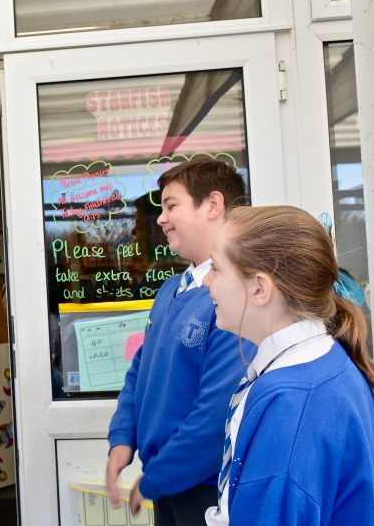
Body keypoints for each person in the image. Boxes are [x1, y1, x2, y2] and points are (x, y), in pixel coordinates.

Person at [201, 206, 374, 526]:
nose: (206, 281)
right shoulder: (326, 360)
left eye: (217, 268)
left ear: (260, 289)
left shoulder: (292, 404)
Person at [105, 158, 257, 525]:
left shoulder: (236, 297)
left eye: (172, 205)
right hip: (167, 483)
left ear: (213, 205)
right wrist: (123, 437)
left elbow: (217, 413)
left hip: (206, 488)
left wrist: (157, 478)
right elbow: (141, 368)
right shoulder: (172, 288)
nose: (161, 218)